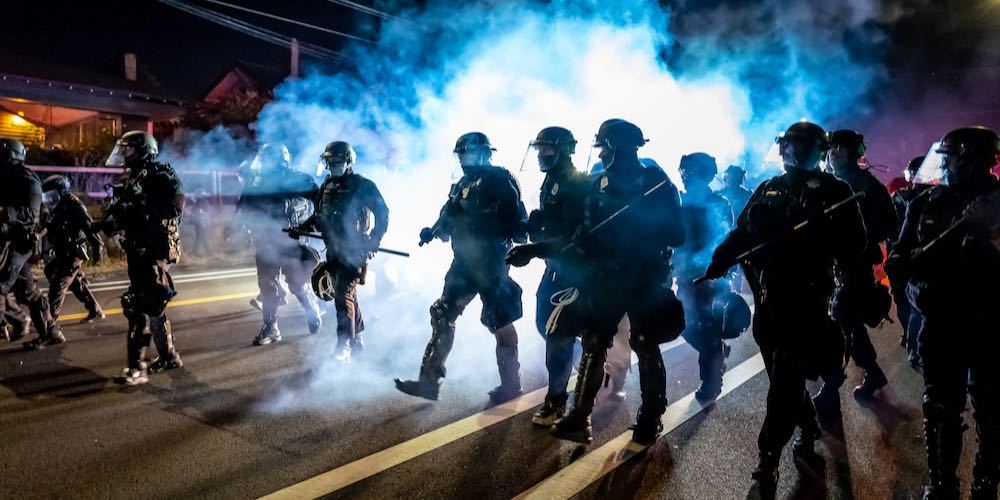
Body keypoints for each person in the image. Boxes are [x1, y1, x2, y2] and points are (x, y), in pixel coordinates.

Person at [700, 121, 865, 494]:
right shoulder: (769, 187)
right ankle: (807, 424)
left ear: (812, 149)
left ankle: (768, 456)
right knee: (780, 375)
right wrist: (721, 259)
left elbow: (856, 246)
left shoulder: (835, 191)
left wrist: (822, 231)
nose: (787, 151)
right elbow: (742, 232)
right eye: (786, 144)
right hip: (768, 296)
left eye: (795, 145)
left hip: (807, 299)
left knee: (787, 375)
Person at [512, 119, 686, 445]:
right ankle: (580, 418)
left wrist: (642, 221)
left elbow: (678, 234)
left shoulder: (655, 182)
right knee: (594, 342)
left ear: (617, 146)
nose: (602, 153)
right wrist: (537, 249)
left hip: (646, 277)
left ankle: (650, 418)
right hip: (607, 277)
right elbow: (580, 238)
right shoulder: (597, 183)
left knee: (645, 344)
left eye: (604, 146)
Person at [886, 126, 1000, 499]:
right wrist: (900, 265)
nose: (944, 165)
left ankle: (987, 477)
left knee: (992, 407)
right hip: (940, 321)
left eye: (949, 158)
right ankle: (941, 482)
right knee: (939, 406)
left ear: (969, 157)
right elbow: (901, 251)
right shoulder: (925, 202)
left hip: (989, 321)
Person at [395, 132, 528, 404]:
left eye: (465, 153)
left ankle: (511, 385)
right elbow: (448, 214)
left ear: (481, 153)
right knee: (443, 314)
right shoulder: (462, 183)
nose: (461, 159)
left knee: (500, 323)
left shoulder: (500, 180)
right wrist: (432, 231)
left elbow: (514, 220)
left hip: (492, 264)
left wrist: (477, 224)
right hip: (464, 263)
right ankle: (428, 381)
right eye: (460, 154)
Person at [507, 126, 591, 424]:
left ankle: (557, 400)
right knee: (547, 326)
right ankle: (583, 358)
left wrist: (533, 249)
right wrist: (533, 225)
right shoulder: (553, 180)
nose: (542, 154)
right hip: (555, 267)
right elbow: (553, 225)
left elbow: (573, 237)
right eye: (539, 147)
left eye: (548, 148)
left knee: (557, 333)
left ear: (565, 149)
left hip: (574, 271)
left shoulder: (576, 184)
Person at [814, 130, 896, 412]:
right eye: (830, 149)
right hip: (827, 264)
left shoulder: (867, 186)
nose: (832, 154)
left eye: (838, 149)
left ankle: (837, 381)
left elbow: (889, 225)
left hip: (853, 264)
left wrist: (858, 235)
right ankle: (865, 372)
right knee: (844, 321)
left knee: (842, 318)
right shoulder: (825, 183)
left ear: (850, 152)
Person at [95, 131, 184, 385]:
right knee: (153, 306)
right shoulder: (130, 177)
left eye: (129, 149)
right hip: (136, 249)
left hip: (155, 249)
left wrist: (144, 203)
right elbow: (121, 214)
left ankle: (137, 368)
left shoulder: (160, 174)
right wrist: (104, 224)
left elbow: (176, 207)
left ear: (143, 150)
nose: (124, 154)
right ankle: (169, 357)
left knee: (135, 304)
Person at [289, 141, 388, 362]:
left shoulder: (362, 185)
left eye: (337, 161)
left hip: (354, 251)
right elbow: (319, 215)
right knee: (349, 295)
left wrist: (374, 239)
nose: (333, 166)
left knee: (342, 295)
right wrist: (302, 228)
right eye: (329, 162)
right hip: (333, 250)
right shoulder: (326, 186)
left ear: (349, 161)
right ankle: (358, 338)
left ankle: (344, 345)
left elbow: (382, 212)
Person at [229, 143, 321, 346]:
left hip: (291, 241)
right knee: (267, 285)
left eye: (268, 159)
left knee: (296, 284)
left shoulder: (296, 179)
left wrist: (316, 222)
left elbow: (320, 199)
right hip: (265, 241)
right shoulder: (256, 182)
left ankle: (311, 309)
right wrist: (239, 228)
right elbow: (243, 207)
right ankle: (271, 328)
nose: (263, 163)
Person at [675, 152, 734, 401]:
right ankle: (716, 353)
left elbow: (722, 239)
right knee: (683, 325)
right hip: (686, 277)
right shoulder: (680, 202)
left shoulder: (719, 204)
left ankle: (711, 382)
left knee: (708, 329)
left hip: (711, 278)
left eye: (689, 172)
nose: (684, 177)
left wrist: (702, 263)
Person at [0, 139, 61, 350]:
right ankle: (51, 331)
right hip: (7, 242)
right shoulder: (5, 177)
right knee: (26, 290)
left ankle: (18, 322)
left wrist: (7, 213)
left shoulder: (28, 181)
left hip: (21, 243)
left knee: (3, 284)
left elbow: (31, 215)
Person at [39, 174, 104, 324]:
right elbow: (51, 228)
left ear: (62, 192)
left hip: (73, 252)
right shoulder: (55, 207)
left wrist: (97, 248)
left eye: (51, 196)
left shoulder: (75, 205)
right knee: (67, 279)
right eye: (46, 196)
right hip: (63, 251)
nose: (48, 200)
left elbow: (89, 228)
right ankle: (95, 309)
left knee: (57, 285)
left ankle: (50, 325)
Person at [890, 155, 930, 366]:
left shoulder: (926, 198)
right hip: (907, 256)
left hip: (914, 258)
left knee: (913, 304)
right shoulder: (911, 198)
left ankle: (914, 346)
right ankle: (913, 342)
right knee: (909, 302)